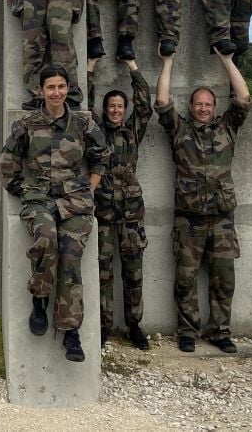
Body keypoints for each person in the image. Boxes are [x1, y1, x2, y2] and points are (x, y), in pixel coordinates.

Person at [0, 64, 109, 363]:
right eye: (51, 87)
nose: (56, 92)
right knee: (46, 237)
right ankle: (40, 297)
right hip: (39, 199)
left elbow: (101, 158)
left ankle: (70, 331)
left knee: (71, 255)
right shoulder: (27, 124)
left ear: (67, 89)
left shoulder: (83, 123)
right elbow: (7, 163)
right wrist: (25, 191)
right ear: (41, 90)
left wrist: (89, 187)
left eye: (61, 87)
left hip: (75, 202)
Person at [155, 47, 251, 354]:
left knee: (224, 278)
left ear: (215, 106)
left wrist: (227, 60)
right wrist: (168, 61)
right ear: (191, 106)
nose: (204, 108)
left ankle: (220, 331)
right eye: (199, 104)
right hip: (189, 218)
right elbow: (161, 102)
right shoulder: (180, 130)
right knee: (186, 277)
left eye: (208, 104)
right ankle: (188, 330)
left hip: (222, 218)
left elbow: (244, 98)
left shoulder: (228, 127)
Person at [87, 56, 152, 351]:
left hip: (130, 215)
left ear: (124, 111)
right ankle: (103, 327)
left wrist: (133, 68)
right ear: (105, 109)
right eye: (111, 106)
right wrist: (90, 68)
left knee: (133, 272)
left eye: (119, 107)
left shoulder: (132, 132)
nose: (115, 110)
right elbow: (81, 104)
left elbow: (145, 104)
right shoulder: (96, 132)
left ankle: (135, 326)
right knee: (102, 273)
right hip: (102, 212)